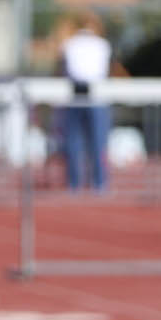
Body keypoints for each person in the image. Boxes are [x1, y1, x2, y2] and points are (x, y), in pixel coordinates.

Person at [56, 14, 119, 193]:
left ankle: (74, 183)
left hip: (75, 97)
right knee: (97, 142)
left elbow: (62, 69)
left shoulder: (69, 44)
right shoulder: (102, 45)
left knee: (73, 141)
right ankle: (99, 183)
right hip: (96, 98)